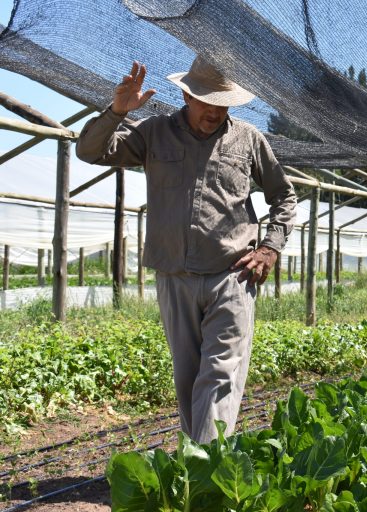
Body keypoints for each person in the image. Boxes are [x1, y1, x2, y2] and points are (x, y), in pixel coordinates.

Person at [76, 57, 297, 443]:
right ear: (186, 94)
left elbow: (284, 195)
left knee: (220, 375)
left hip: (232, 274)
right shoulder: (154, 132)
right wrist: (116, 112)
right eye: (206, 100)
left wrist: (269, 249)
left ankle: (207, 472)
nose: (214, 111)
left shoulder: (247, 139)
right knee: (188, 377)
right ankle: (195, 467)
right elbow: (91, 152)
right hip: (174, 275)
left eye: (222, 103)